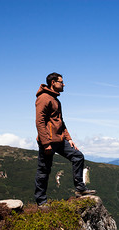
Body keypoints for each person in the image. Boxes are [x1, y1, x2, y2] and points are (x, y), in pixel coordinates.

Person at [34, 72, 96, 207]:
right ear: (53, 83)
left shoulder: (56, 100)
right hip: (49, 141)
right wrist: (46, 143)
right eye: (61, 82)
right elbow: (40, 121)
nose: (63, 84)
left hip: (60, 140)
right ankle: (41, 201)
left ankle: (80, 189)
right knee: (44, 170)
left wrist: (69, 138)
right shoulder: (44, 98)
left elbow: (60, 122)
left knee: (78, 156)